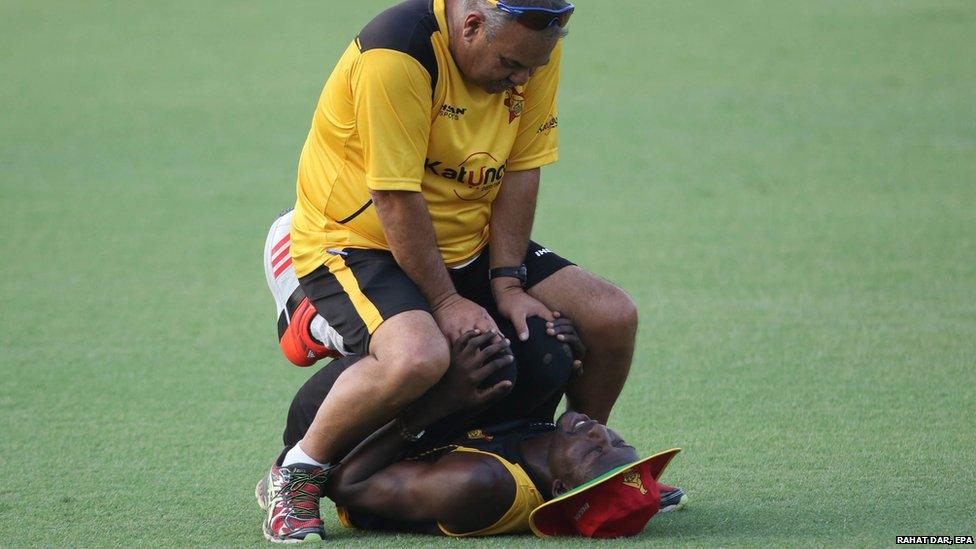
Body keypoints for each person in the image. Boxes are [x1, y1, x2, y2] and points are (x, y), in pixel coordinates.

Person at [267, 0, 643, 542]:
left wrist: (506, 282)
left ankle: (585, 470)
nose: (522, 78)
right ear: (470, 25)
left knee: (611, 315)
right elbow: (394, 196)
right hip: (357, 238)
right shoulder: (397, 52)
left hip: (465, 236)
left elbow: (521, 167)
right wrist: (446, 302)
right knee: (419, 356)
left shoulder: (532, 44)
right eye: (512, 66)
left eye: (532, 69)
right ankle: (297, 474)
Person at [257, 331, 686, 540]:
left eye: (597, 455)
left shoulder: (479, 485)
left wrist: (441, 401)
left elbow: (347, 483)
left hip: (348, 443)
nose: (601, 435)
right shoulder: (550, 447)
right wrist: (559, 355)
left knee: (420, 355)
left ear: (558, 490)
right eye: (621, 445)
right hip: (442, 428)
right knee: (542, 342)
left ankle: (312, 323)